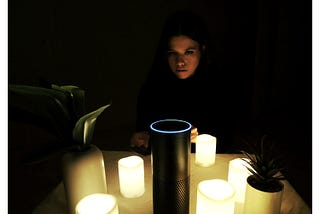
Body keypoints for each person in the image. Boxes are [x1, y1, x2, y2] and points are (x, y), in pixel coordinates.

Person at [130, 10, 236, 154]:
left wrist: (196, 139)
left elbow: (224, 142)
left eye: (188, 52)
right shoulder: (152, 89)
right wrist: (140, 140)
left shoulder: (219, 88)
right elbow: (143, 136)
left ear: (202, 49)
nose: (180, 62)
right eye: (173, 53)